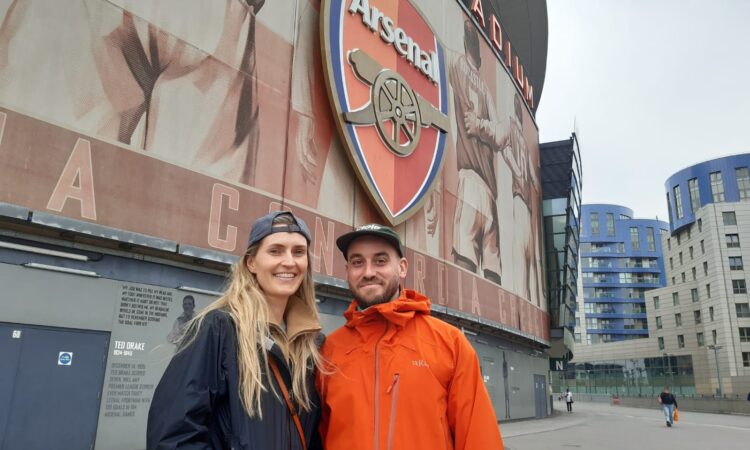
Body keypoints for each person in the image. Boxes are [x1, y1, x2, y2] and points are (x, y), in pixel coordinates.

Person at [317, 223, 504, 450]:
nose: (368, 272)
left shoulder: (449, 343)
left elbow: (479, 436)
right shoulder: (329, 350)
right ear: (347, 270)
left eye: (380, 260)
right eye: (358, 262)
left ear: (402, 267)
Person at [147, 211, 324, 449]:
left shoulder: (312, 345)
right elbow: (173, 437)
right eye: (275, 251)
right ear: (251, 262)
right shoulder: (218, 329)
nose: (289, 261)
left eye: (298, 252)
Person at [448, 20, 513, 285]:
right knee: (492, 267)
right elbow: (501, 134)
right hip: (489, 192)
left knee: (465, 260)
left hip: (473, 181)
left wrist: (478, 125)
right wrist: (484, 126)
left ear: (465, 44)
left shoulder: (456, 63)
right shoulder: (485, 89)